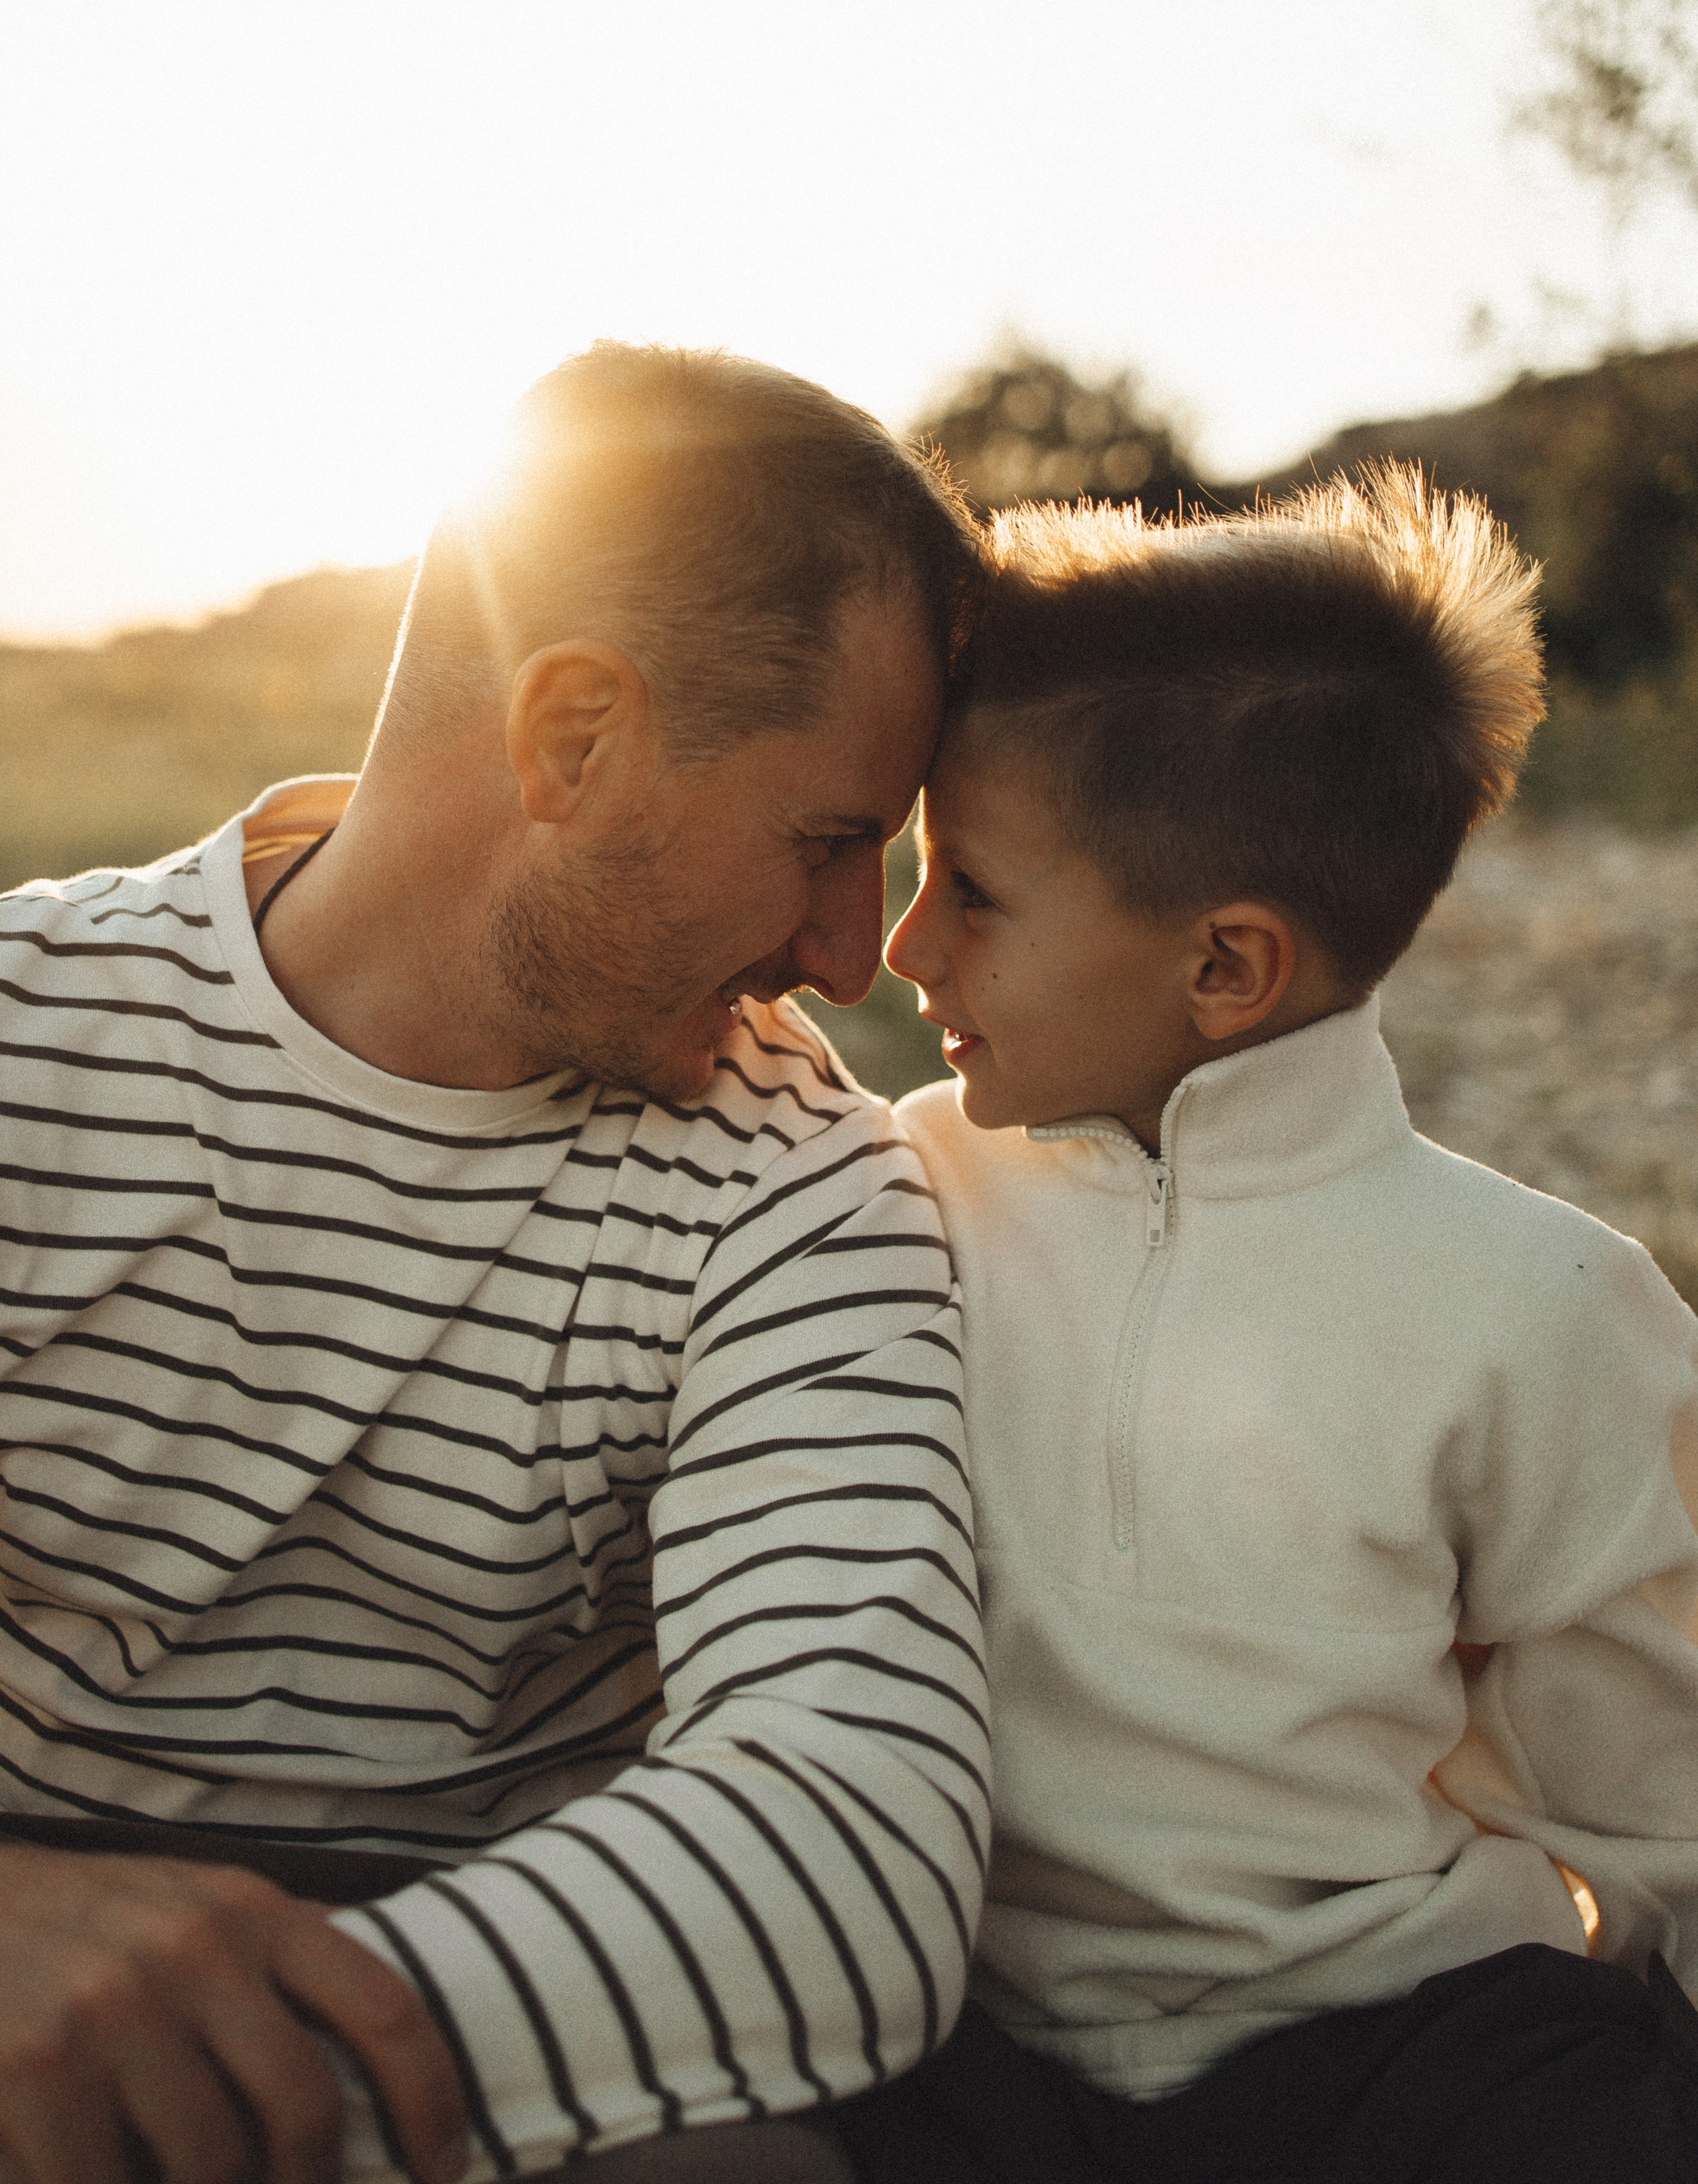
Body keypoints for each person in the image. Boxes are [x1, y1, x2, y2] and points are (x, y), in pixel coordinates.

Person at [0, 344, 990, 2184]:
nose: (855, 958)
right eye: (831, 840)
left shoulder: (802, 1190)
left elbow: (854, 1842)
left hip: (502, 1982)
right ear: (574, 737)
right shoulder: (26, 1048)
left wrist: (174, 2089)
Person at [828, 469, 1698, 2183]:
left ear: (1229, 968)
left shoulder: (1543, 1306)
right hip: (969, 2037)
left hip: (1395, 2044)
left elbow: (1658, 1788)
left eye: (975, 891)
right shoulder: (876, 1196)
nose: (900, 945)